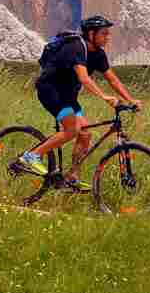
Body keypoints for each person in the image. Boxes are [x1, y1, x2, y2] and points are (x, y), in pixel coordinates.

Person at [12, 15, 142, 191]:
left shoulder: (98, 54)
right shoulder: (76, 47)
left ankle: (71, 177)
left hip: (68, 95)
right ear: (91, 33)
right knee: (72, 129)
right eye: (104, 33)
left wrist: (130, 99)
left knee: (85, 134)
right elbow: (84, 79)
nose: (108, 37)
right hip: (50, 90)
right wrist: (105, 98)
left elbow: (112, 79)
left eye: (108, 34)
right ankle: (30, 158)